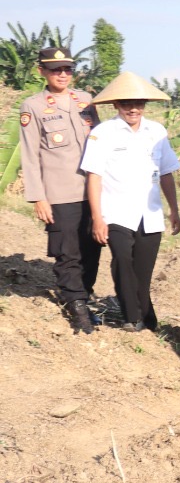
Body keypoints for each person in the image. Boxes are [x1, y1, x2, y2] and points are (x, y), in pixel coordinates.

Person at [80, 73, 180, 333]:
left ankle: (147, 317)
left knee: (143, 272)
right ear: (116, 105)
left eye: (138, 103)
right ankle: (132, 317)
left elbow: (167, 172)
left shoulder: (156, 132)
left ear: (145, 104)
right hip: (115, 212)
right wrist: (97, 218)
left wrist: (174, 211)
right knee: (122, 262)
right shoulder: (103, 133)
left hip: (150, 214)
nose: (133, 109)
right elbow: (94, 176)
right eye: (126, 104)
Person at [17, 46, 102, 333]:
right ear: (42, 71)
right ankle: (76, 305)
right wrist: (38, 196)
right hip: (59, 191)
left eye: (67, 69)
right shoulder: (34, 106)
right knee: (68, 252)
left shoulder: (87, 101)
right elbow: (29, 155)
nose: (63, 74)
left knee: (92, 248)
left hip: (92, 189)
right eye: (56, 69)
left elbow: (103, 144)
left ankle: (84, 295)